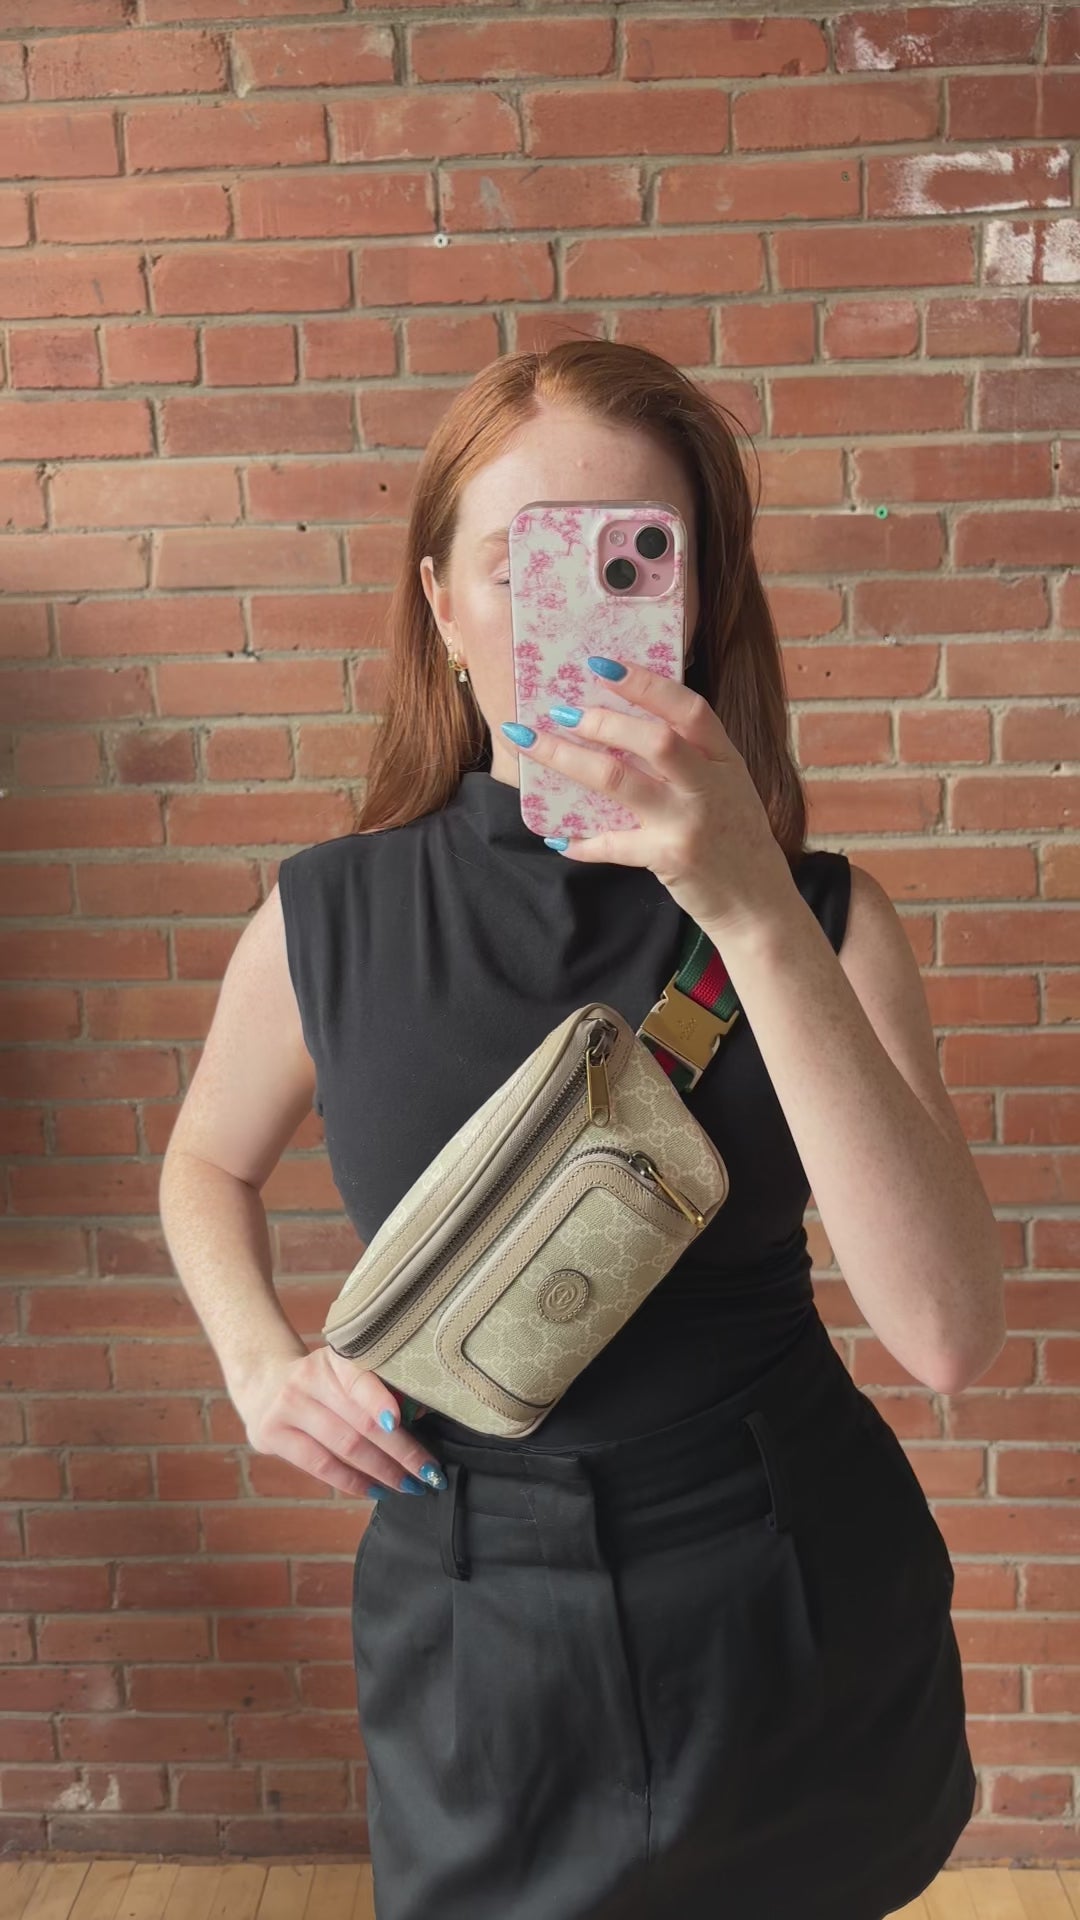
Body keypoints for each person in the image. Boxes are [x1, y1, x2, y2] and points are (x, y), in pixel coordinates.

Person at [160, 339, 1004, 1920]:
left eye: (634, 557)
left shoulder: (826, 919)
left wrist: (750, 907)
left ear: (698, 600)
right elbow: (205, 1162)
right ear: (442, 605)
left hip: (790, 1583)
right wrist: (259, 1362)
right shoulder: (326, 919)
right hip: (471, 1609)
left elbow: (948, 1334)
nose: (580, 606)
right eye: (521, 559)